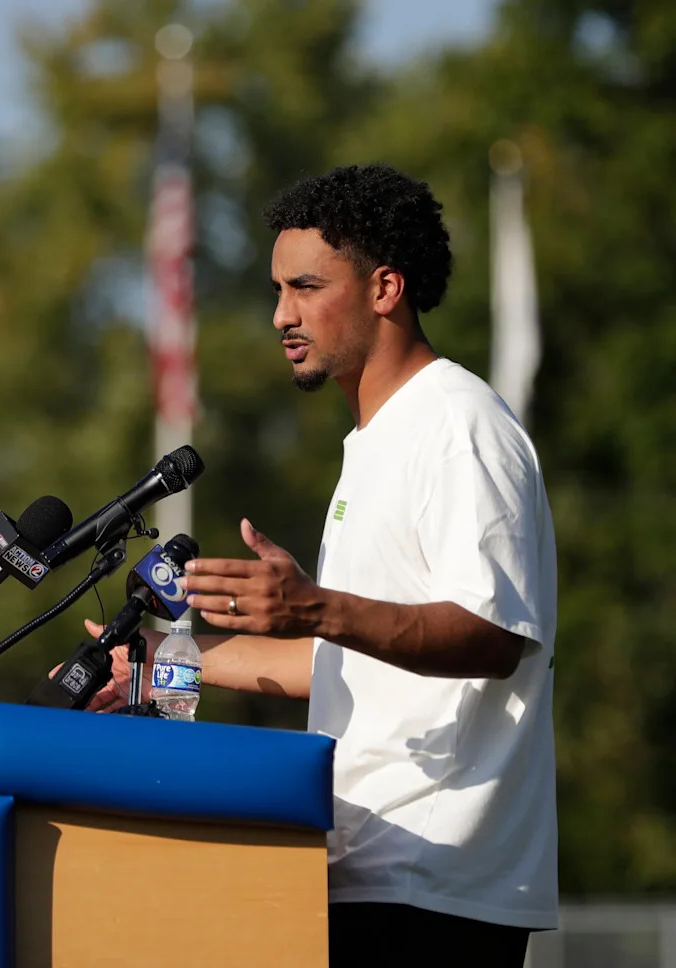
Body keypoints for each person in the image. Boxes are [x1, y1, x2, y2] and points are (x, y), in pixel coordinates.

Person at [87, 164, 557, 966]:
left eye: (306, 287)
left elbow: (492, 637)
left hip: (434, 883)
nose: (282, 315)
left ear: (385, 288)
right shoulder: (374, 440)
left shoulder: (458, 425)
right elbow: (346, 662)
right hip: (355, 870)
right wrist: (163, 660)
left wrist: (315, 607)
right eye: (277, 291)